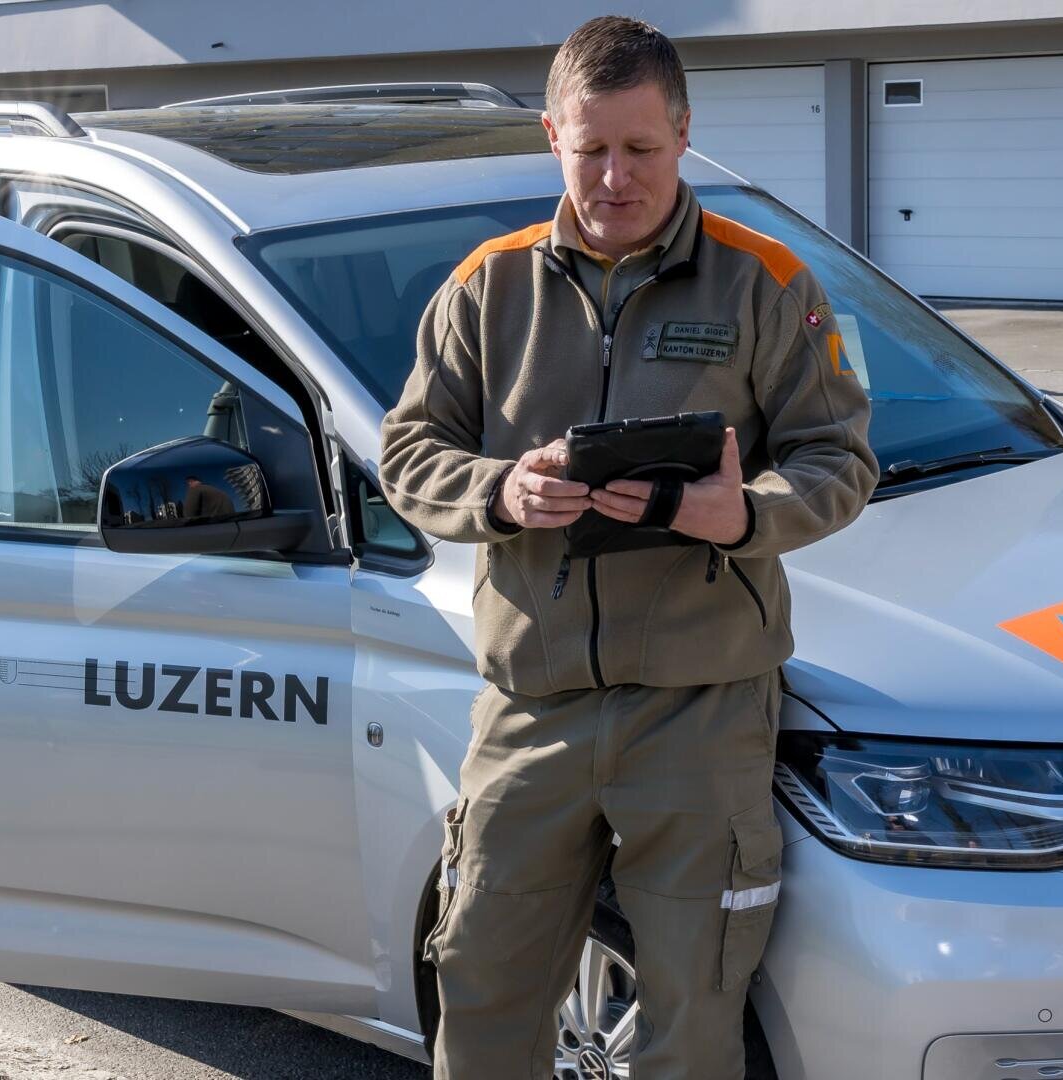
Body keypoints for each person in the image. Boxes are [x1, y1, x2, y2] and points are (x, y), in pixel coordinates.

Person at [379, 15, 875, 1077]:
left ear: (684, 136)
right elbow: (409, 454)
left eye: (640, 149)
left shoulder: (766, 283)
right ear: (551, 138)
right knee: (481, 988)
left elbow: (840, 461)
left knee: (691, 1020)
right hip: (533, 707)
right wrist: (500, 490)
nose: (613, 177)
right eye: (590, 148)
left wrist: (744, 518)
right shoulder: (486, 286)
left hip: (701, 712)